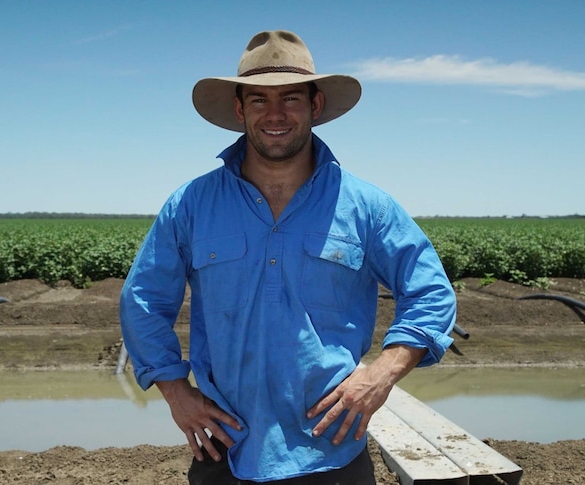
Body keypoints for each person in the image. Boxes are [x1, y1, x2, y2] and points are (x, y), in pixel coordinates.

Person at [120, 30, 457, 484]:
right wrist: (176, 392)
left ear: (315, 106)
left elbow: (431, 293)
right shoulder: (192, 204)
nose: (275, 114)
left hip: (332, 449)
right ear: (240, 110)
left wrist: (379, 378)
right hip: (226, 448)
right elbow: (143, 301)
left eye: (291, 99)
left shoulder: (365, 206)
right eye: (258, 100)